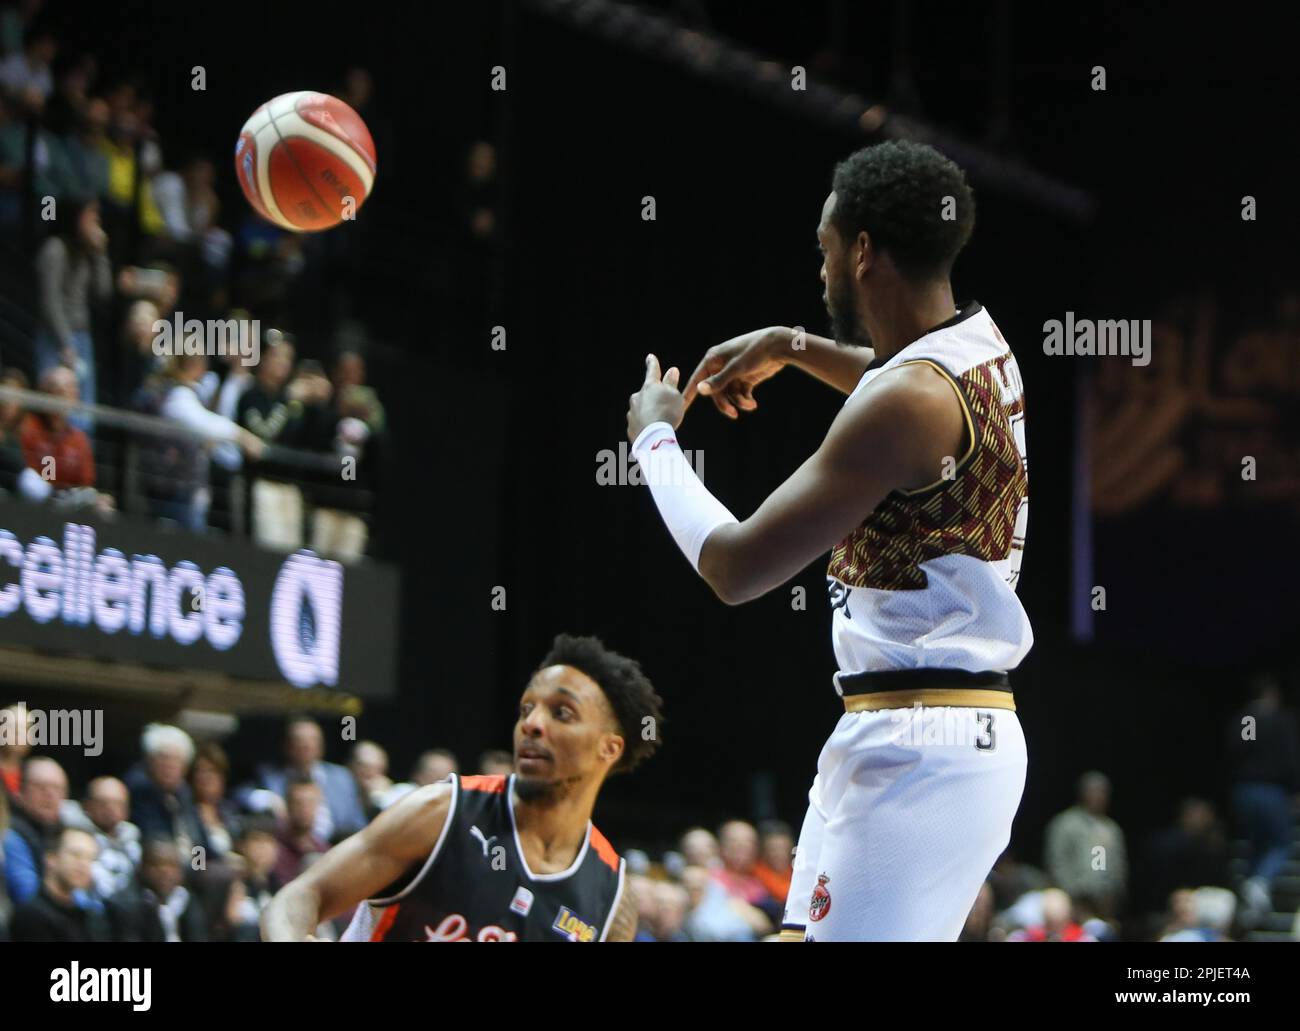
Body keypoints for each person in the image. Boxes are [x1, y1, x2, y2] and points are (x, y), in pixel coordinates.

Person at [625, 141, 1030, 941]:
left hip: (921, 746)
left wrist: (653, 443)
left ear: (863, 251)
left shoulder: (905, 402)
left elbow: (735, 568)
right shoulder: (976, 344)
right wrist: (789, 343)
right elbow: (896, 381)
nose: (820, 270)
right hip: (915, 726)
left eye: (824, 248)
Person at [262, 633, 664, 942]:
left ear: (608, 749)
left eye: (562, 712)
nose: (532, 724)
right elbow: (299, 897)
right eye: (526, 709)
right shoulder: (443, 813)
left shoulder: (610, 899)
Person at [1227, 674, 1300, 917]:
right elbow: (1291, 759)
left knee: (1256, 845)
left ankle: (1251, 900)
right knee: (1280, 843)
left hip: (1244, 790)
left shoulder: (1248, 718)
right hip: (1270, 789)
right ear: (1272, 693)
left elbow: (1241, 747)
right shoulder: (1279, 719)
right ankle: (1260, 882)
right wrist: (1294, 790)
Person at [34, 196, 111, 415]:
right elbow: (49, 301)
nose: (96, 220)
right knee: (55, 404)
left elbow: (103, 292)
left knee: (83, 408)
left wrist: (101, 253)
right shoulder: (55, 248)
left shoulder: (87, 253)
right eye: (91, 213)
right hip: (56, 336)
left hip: (82, 335)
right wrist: (65, 342)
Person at [1044, 770, 1128, 919]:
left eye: (1102, 792)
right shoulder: (1065, 824)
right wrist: (1073, 895)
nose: (1098, 796)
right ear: (1082, 793)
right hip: (1074, 902)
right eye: (1093, 791)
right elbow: (1057, 862)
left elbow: (1116, 866)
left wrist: (1112, 894)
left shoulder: (1111, 829)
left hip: (1104, 903)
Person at [8, 826, 111, 942]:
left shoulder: (90, 916)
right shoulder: (31, 916)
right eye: (75, 855)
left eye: (90, 859)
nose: (83, 865)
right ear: (51, 858)